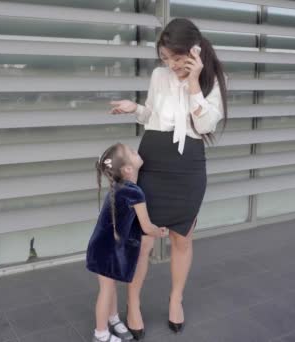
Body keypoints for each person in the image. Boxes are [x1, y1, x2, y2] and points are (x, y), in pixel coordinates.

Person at [109, 18, 228, 336]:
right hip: (154, 158)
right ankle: (133, 305)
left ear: (193, 51)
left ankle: (176, 300)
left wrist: (193, 83)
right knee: (143, 240)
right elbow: (152, 113)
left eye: (176, 59)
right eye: (165, 59)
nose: (170, 65)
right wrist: (134, 107)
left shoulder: (210, 80)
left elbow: (204, 127)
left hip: (188, 165)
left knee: (182, 239)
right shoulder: (159, 75)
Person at [86, 142, 168, 342]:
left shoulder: (121, 187)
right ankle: (101, 334)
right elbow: (147, 227)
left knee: (110, 286)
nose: (136, 151)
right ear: (128, 169)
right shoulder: (134, 192)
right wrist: (160, 232)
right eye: (132, 152)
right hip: (106, 250)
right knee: (106, 290)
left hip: (104, 247)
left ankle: (113, 319)